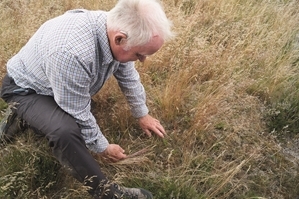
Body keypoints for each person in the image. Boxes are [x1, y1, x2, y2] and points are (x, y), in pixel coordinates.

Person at [0, 0, 174, 198]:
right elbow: (78, 110)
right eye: (140, 54)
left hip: (52, 84)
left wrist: (142, 114)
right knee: (64, 131)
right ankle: (106, 192)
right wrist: (103, 147)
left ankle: (23, 118)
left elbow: (127, 75)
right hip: (25, 90)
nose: (143, 60)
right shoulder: (72, 52)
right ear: (120, 40)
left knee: (74, 114)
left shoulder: (115, 28)